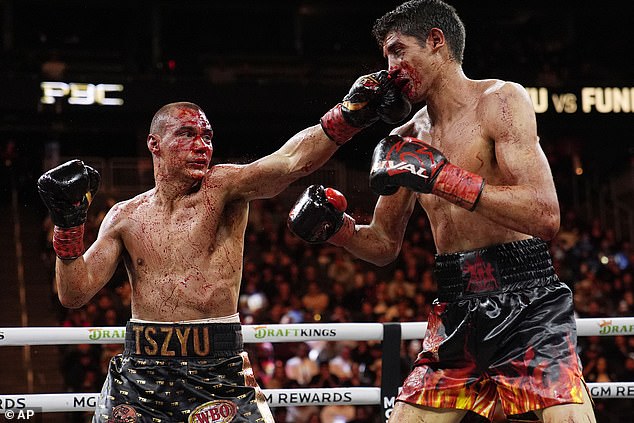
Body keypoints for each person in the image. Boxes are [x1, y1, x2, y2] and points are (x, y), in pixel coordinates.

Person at [37, 69, 411, 423]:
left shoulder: (223, 189)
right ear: (154, 144)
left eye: (208, 137)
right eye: (187, 134)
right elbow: (73, 293)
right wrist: (68, 227)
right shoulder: (124, 216)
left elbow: (290, 162)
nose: (202, 146)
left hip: (218, 368)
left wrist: (346, 116)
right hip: (141, 369)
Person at [287, 1, 596, 422]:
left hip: (530, 307)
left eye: (398, 50)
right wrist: (336, 228)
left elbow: (545, 216)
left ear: (436, 41)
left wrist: (443, 177)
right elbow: (382, 244)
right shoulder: (405, 138)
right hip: (455, 311)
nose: (390, 68)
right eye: (386, 57)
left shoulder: (501, 101)